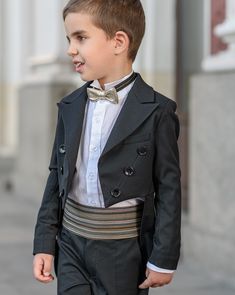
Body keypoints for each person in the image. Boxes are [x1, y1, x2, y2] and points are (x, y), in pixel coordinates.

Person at [33, 0, 181, 294]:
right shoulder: (70, 106)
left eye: (81, 38)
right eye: (69, 39)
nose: (70, 49)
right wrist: (45, 242)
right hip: (71, 245)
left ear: (119, 42)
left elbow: (168, 188)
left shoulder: (157, 111)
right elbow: (56, 176)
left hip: (122, 252)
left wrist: (163, 258)